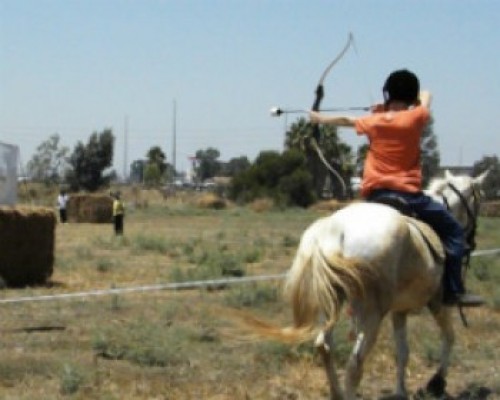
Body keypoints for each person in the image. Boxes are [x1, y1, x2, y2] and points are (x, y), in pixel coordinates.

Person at [310, 69, 483, 307]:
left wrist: (319, 118)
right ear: (411, 98)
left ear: (388, 93)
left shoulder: (374, 121)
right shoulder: (417, 117)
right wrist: (403, 102)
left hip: (375, 195)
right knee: (454, 232)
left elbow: (346, 121)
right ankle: (454, 291)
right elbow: (427, 94)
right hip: (408, 195)